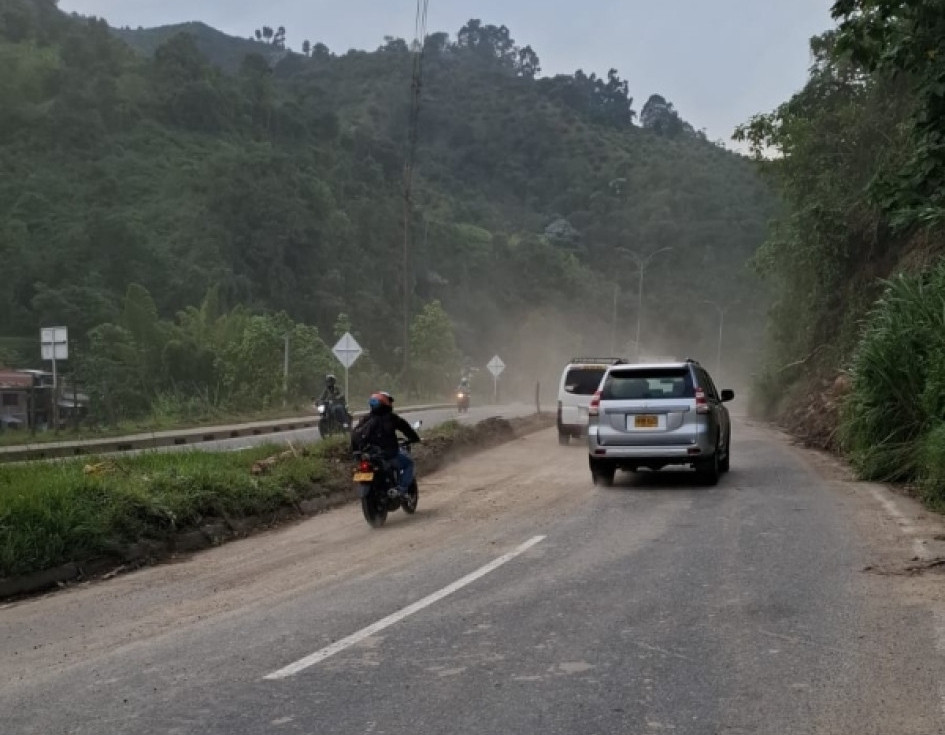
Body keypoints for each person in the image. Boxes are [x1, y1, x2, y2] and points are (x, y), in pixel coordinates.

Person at [351, 391, 421, 496]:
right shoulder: (392, 418)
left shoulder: (365, 419)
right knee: (408, 464)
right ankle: (401, 489)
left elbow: (354, 435)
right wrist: (415, 438)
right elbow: (407, 429)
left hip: (369, 455)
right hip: (389, 454)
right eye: (389, 402)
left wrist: (356, 452)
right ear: (385, 403)